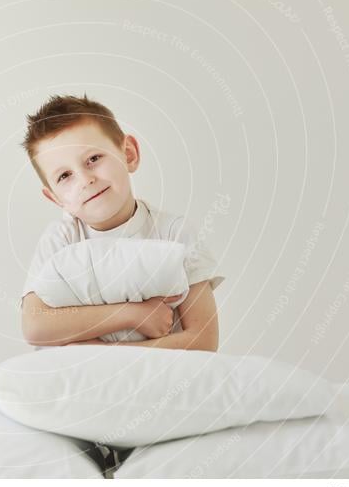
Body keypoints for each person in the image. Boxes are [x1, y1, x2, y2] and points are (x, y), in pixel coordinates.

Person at [19, 93, 224, 352]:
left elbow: (203, 342)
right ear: (55, 198)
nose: (85, 179)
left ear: (128, 154)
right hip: (86, 387)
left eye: (93, 159)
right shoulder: (60, 239)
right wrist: (131, 314)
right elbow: (35, 327)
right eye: (65, 176)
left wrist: (99, 353)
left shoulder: (174, 233)